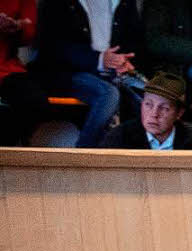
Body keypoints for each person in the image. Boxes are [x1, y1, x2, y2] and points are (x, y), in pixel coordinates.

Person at [33, 0, 147, 148]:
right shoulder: (57, 3)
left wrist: (125, 60)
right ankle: (82, 157)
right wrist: (99, 60)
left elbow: (135, 41)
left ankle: (145, 161)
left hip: (115, 71)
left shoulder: (125, 2)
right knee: (109, 94)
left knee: (154, 94)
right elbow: (53, 47)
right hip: (68, 72)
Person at [100, 71, 192, 149]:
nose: (154, 114)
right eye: (148, 104)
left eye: (164, 108)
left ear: (179, 113)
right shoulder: (120, 137)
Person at [0, 1, 49, 145]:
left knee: (36, 102)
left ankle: (8, 153)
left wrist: (17, 27)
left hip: (6, 68)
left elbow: (30, 32)